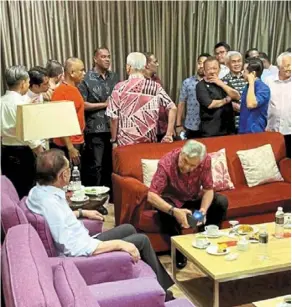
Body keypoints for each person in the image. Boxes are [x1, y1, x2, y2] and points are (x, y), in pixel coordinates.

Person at [26, 149, 174, 300]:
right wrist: (118, 244)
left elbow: (58, 220)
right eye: (68, 169)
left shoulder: (39, 192)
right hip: (83, 253)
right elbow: (72, 247)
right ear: (63, 175)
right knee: (141, 240)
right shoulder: (50, 203)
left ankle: (148, 281)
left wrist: (82, 213)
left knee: (129, 228)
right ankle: (163, 294)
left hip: (85, 240)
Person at [147, 140, 228, 269]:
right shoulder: (166, 163)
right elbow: (151, 196)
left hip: (194, 196)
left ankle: (207, 240)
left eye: (193, 165)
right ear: (181, 153)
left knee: (221, 201)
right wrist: (174, 211)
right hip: (173, 200)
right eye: (184, 161)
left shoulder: (205, 160)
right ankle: (179, 252)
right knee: (164, 211)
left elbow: (208, 189)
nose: (187, 167)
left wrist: (203, 210)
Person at [106, 52, 177, 146]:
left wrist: (114, 139)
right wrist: (169, 134)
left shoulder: (119, 87)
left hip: (126, 143)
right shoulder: (155, 87)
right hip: (150, 141)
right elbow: (172, 107)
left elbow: (114, 117)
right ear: (144, 67)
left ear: (128, 67)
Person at [78, 47, 119, 191]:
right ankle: (95, 196)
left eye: (108, 56)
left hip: (114, 128)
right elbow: (82, 104)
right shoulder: (86, 79)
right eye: (103, 57)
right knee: (96, 165)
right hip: (95, 128)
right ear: (95, 59)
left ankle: (111, 197)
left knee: (112, 165)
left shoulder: (114, 77)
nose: (107, 59)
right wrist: (105, 104)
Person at [1, 66, 44, 198]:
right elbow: (28, 132)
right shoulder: (21, 104)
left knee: (12, 190)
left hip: (6, 151)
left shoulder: (2, 101)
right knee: (26, 191)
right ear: (23, 83)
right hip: (23, 153)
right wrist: (40, 151)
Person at [51, 57, 85, 166]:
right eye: (81, 70)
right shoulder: (61, 91)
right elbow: (60, 121)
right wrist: (70, 147)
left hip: (77, 140)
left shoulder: (73, 89)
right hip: (68, 144)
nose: (84, 73)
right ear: (72, 73)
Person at [196, 56, 240, 137]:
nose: (212, 71)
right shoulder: (200, 85)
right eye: (209, 69)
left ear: (219, 70)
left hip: (229, 130)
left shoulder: (224, 82)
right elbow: (210, 104)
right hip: (211, 131)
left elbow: (236, 96)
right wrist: (226, 100)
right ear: (204, 71)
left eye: (215, 68)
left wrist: (221, 83)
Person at [176, 53, 210, 139]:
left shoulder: (214, 82)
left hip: (209, 125)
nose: (201, 66)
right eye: (199, 63)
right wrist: (178, 124)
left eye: (204, 63)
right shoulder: (187, 82)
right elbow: (181, 102)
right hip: (191, 125)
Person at [266, 52, 291, 157]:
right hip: (272, 129)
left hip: (290, 130)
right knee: (273, 159)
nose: (289, 68)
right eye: (287, 66)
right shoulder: (269, 81)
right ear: (279, 67)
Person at [239, 58, 271, 134]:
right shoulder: (247, 86)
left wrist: (251, 82)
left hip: (254, 131)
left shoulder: (263, 88)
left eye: (244, 71)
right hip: (243, 129)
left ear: (252, 73)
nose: (242, 73)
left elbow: (251, 104)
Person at [143, 52, 167, 142]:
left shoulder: (157, 80)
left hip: (162, 126)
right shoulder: (139, 81)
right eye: (155, 62)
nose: (158, 64)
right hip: (147, 128)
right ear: (147, 65)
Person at [222, 51, 247, 131]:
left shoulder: (248, 79)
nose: (237, 64)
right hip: (232, 123)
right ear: (228, 64)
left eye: (239, 61)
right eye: (233, 62)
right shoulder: (223, 81)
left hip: (248, 122)